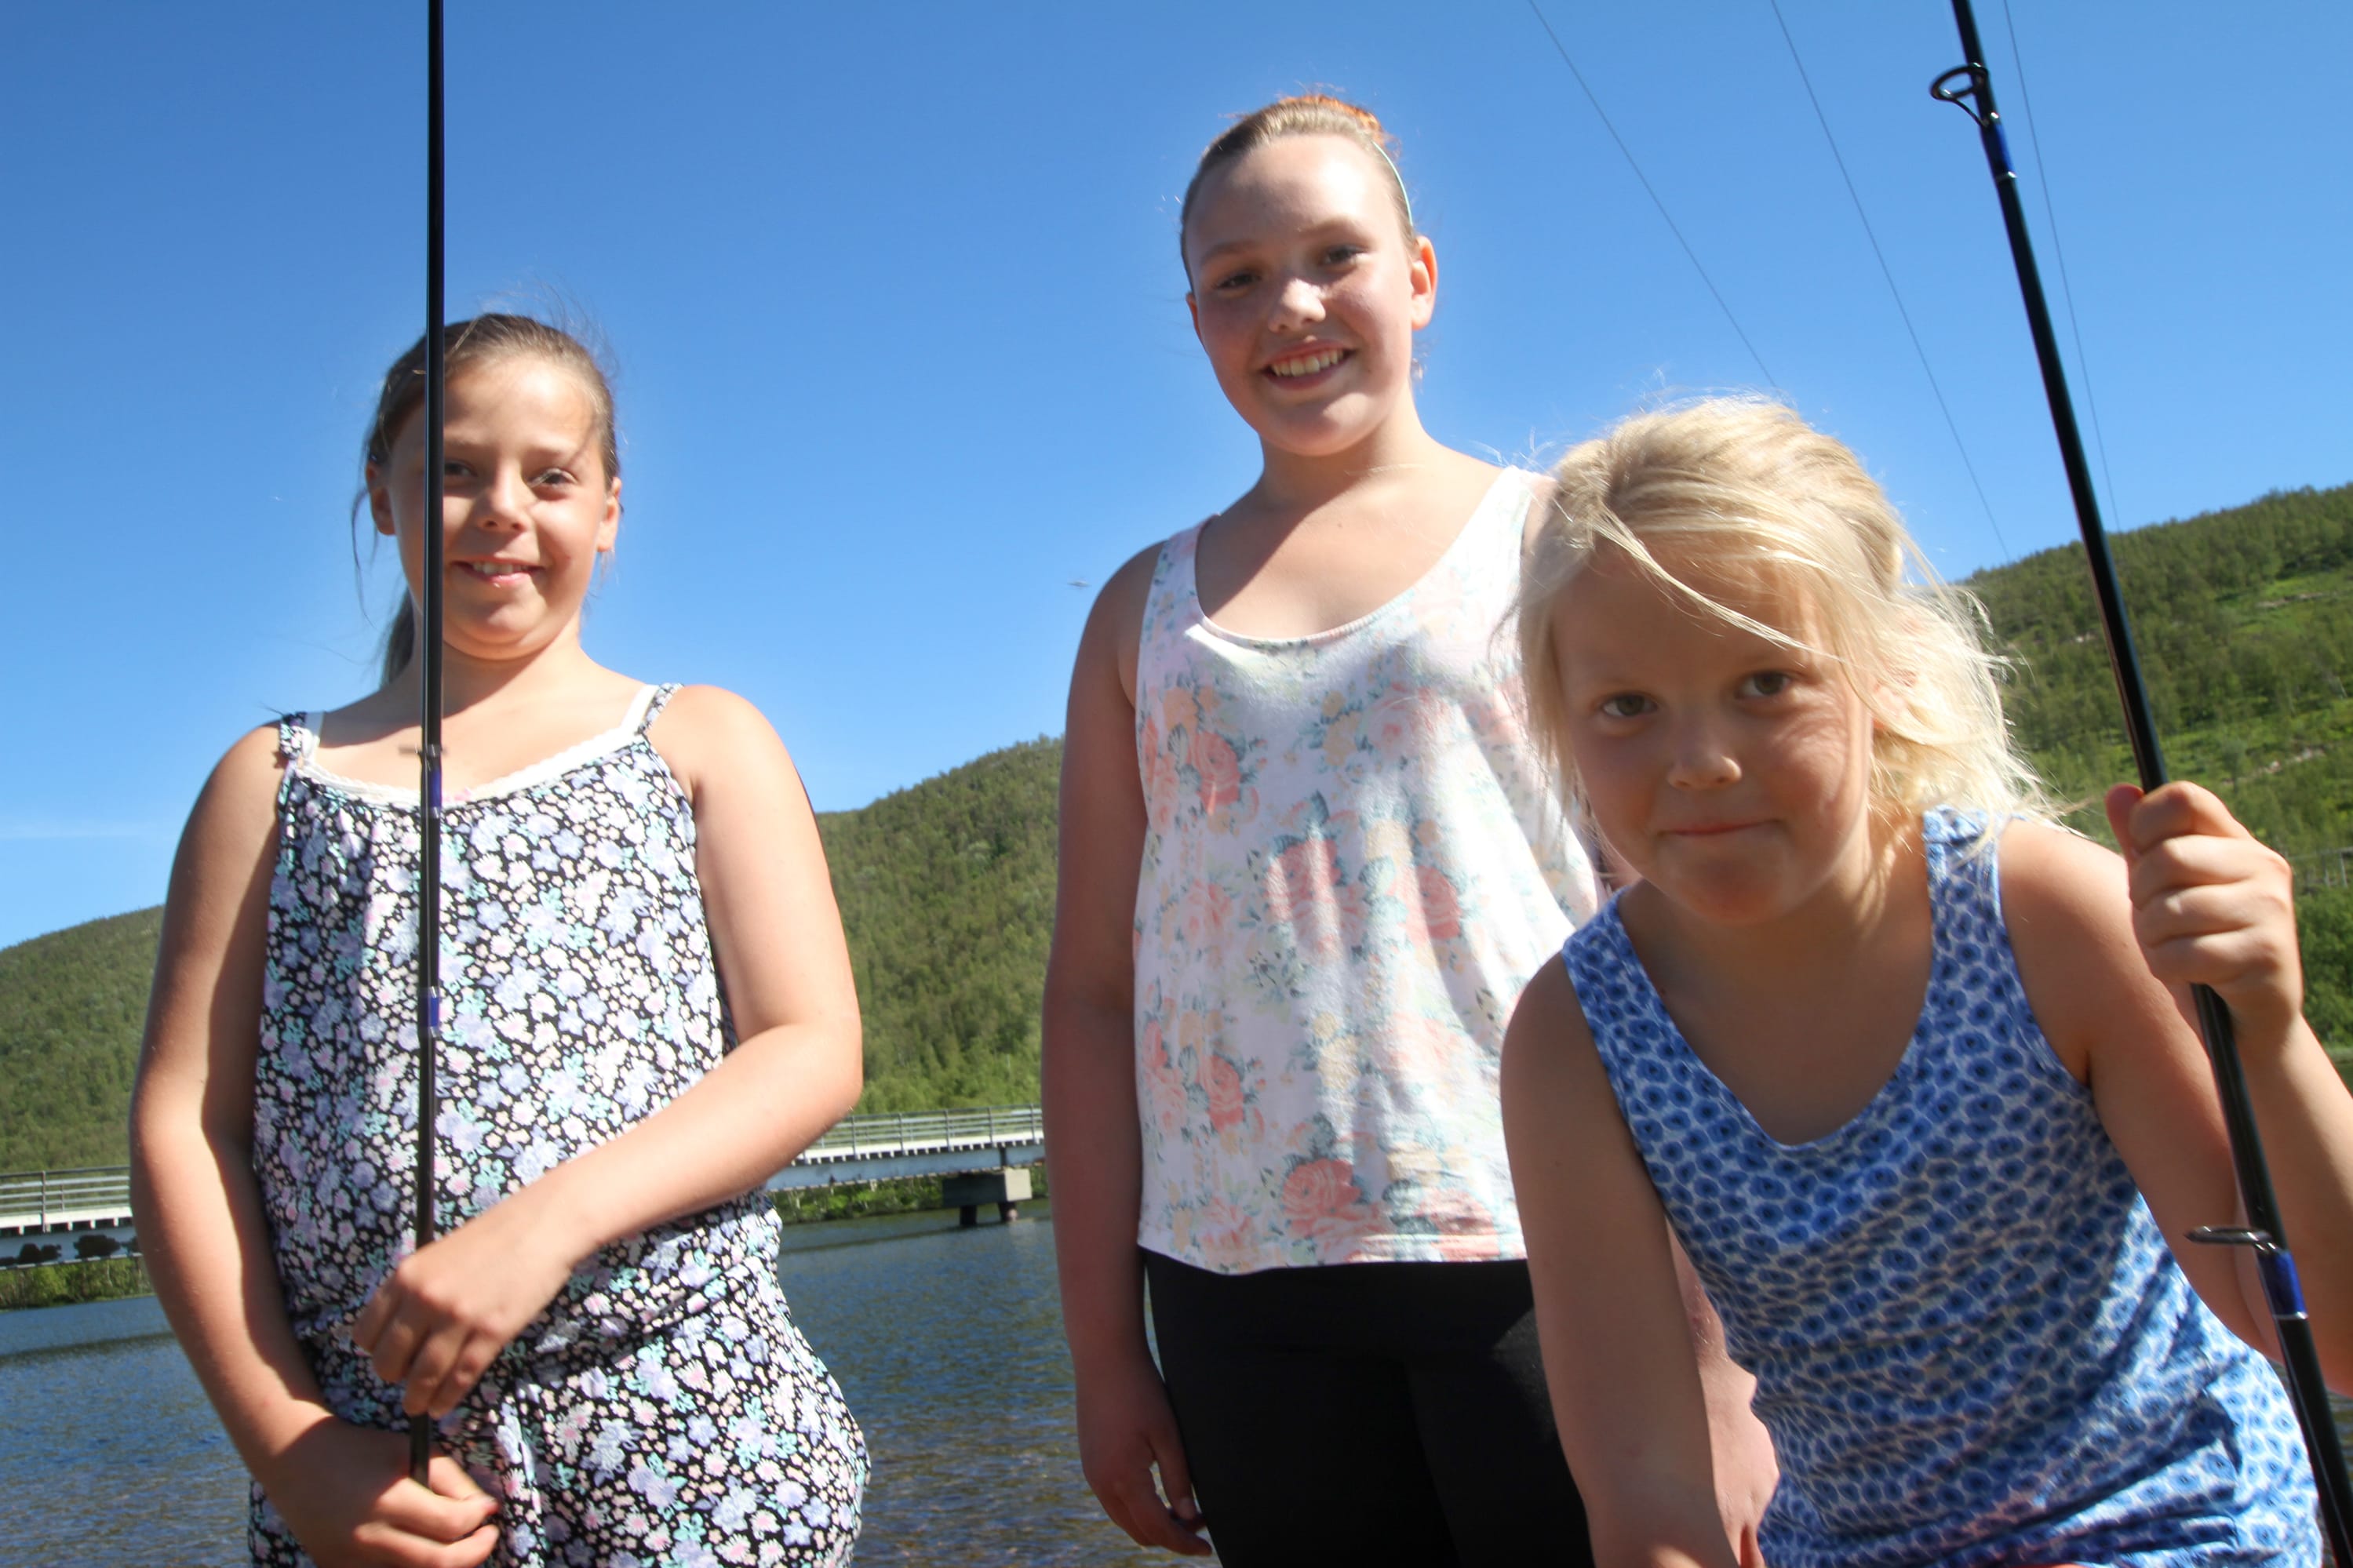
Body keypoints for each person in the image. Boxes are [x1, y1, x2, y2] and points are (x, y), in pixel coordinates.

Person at [1044, 98, 1776, 1566]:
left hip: (1550, 1246)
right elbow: (1095, 994)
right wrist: (1107, 1357)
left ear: (1421, 275)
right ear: (1196, 322)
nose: (1293, 307)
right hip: (1234, 1291)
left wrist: (1723, 1354)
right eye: (1238, 277)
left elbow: (1686, 935)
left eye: (1337, 255)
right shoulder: (1139, 615)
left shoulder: (1565, 543)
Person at [1502, 397, 2353, 1567]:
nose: (1701, 763)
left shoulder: (2046, 916)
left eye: (1767, 682)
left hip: (2177, 1524)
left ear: (1888, 674)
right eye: (1627, 707)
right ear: (1560, 724)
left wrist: (2268, 1032)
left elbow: (2327, 1339)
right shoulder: (1575, 1036)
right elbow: (1651, 1502)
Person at [129, 315, 869, 1566]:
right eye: (455, 470)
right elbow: (185, 1124)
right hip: (374, 1473)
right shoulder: (271, 782)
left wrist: (542, 1227)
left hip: (696, 1429)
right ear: (383, 496)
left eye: (551, 475)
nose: (502, 509)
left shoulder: (702, 740)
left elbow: (811, 1047)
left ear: (611, 509)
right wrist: (291, 1451)